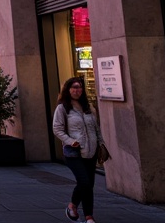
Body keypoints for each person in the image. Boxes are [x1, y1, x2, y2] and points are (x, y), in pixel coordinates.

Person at [54, 76, 105, 222]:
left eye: (79, 87)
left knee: (89, 185)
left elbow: (96, 128)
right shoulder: (63, 108)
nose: (77, 90)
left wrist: (101, 144)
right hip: (74, 152)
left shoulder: (89, 107)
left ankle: (88, 216)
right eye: (74, 87)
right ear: (68, 89)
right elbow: (57, 129)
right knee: (84, 182)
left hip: (91, 151)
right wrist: (70, 141)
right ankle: (73, 206)